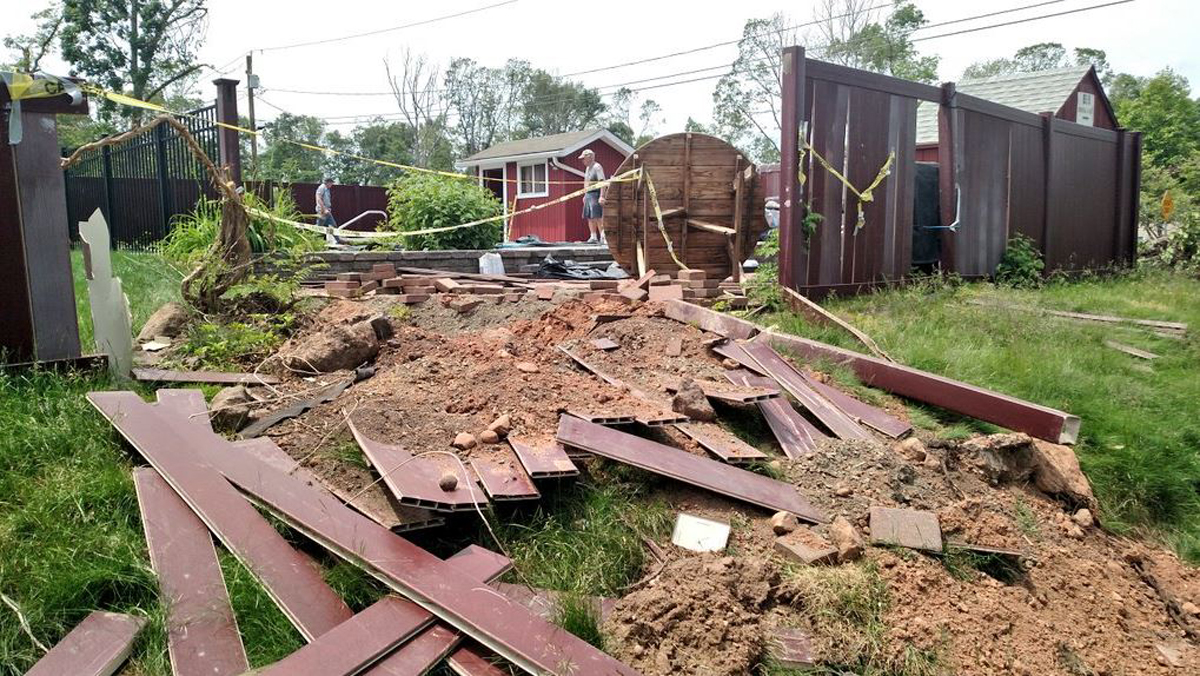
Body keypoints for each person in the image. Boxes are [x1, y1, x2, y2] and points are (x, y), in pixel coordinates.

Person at [580, 149, 607, 244]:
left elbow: (602, 182)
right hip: (588, 194)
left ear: (589, 157)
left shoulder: (597, 167)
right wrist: (584, 195)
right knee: (589, 216)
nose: (582, 161)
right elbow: (586, 182)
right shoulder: (587, 168)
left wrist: (602, 196)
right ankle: (593, 236)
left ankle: (603, 236)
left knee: (598, 216)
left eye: (584, 158)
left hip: (596, 194)